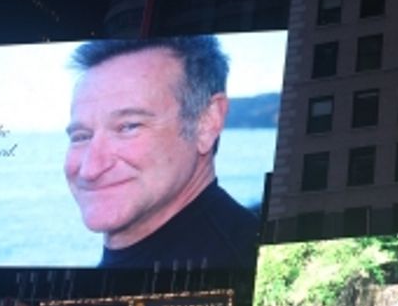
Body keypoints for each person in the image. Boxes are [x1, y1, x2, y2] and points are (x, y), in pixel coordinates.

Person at [65, 37, 259, 269]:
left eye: (128, 127)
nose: (90, 169)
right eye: (81, 136)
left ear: (206, 123)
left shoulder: (244, 269)